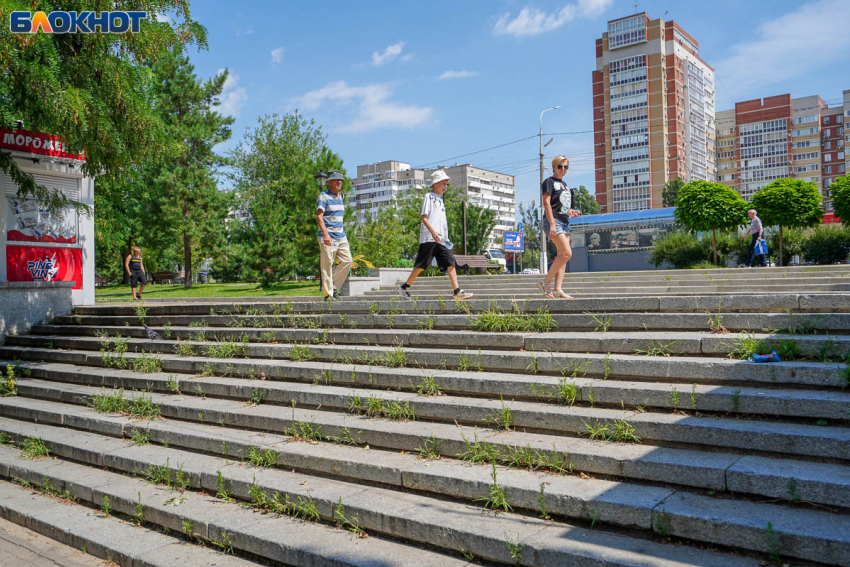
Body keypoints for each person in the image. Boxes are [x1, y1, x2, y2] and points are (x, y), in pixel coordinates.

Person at [396, 170, 473, 301]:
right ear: (435, 183)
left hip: (441, 240)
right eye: (443, 183)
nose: (445, 186)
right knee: (421, 265)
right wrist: (432, 232)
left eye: (446, 184)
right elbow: (423, 217)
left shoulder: (441, 201)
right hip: (429, 238)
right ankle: (404, 286)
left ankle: (457, 291)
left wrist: (446, 238)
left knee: (450, 262)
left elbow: (443, 223)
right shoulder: (429, 196)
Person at [538, 156, 580, 298]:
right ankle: (546, 282)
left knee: (563, 256)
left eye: (566, 167)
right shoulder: (548, 182)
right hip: (554, 221)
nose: (563, 169)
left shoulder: (565, 185)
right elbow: (546, 203)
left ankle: (557, 289)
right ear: (554, 167)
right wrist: (552, 224)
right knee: (567, 253)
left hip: (564, 221)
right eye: (560, 166)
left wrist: (570, 212)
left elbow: (561, 206)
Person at [316, 169, 353, 301]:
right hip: (328, 236)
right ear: (329, 182)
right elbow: (319, 217)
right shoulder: (323, 196)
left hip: (341, 236)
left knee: (348, 261)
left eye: (341, 180)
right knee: (327, 265)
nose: (339, 182)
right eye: (336, 180)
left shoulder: (341, 196)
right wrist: (326, 234)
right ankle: (328, 295)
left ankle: (334, 287)